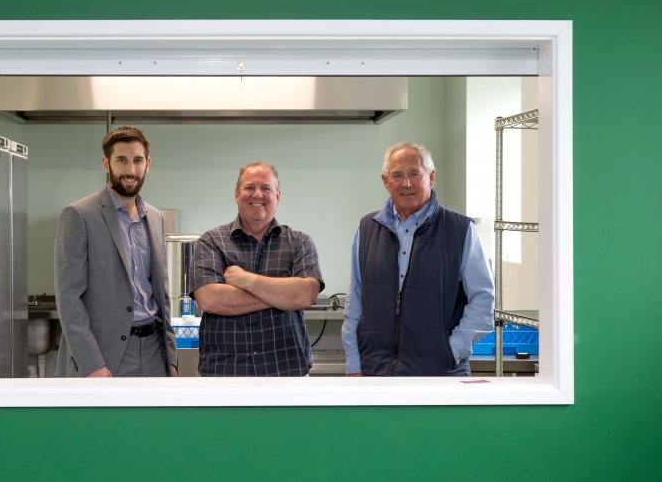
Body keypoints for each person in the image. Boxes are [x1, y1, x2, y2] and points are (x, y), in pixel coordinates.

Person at [342, 142, 494, 376]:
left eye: (415, 174)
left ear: (431, 177)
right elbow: (355, 304)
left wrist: (451, 350)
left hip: (440, 375)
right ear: (385, 181)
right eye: (397, 176)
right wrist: (354, 364)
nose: (406, 183)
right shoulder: (366, 229)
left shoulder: (461, 230)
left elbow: (483, 301)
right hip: (377, 375)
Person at [54, 126, 177, 377]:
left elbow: (162, 294)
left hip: (155, 352)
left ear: (147, 164)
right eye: (121, 160)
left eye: (137, 160)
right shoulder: (79, 215)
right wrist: (92, 364)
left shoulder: (155, 217)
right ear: (105, 163)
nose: (130, 170)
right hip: (105, 356)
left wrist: (171, 359)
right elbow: (68, 299)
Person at [189, 161, 324, 376]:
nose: (257, 194)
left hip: (287, 371)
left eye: (266, 188)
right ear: (237, 194)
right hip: (224, 373)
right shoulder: (211, 241)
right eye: (250, 187)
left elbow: (305, 294)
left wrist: (245, 281)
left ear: (278, 196)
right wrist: (281, 296)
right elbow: (208, 298)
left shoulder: (299, 242)